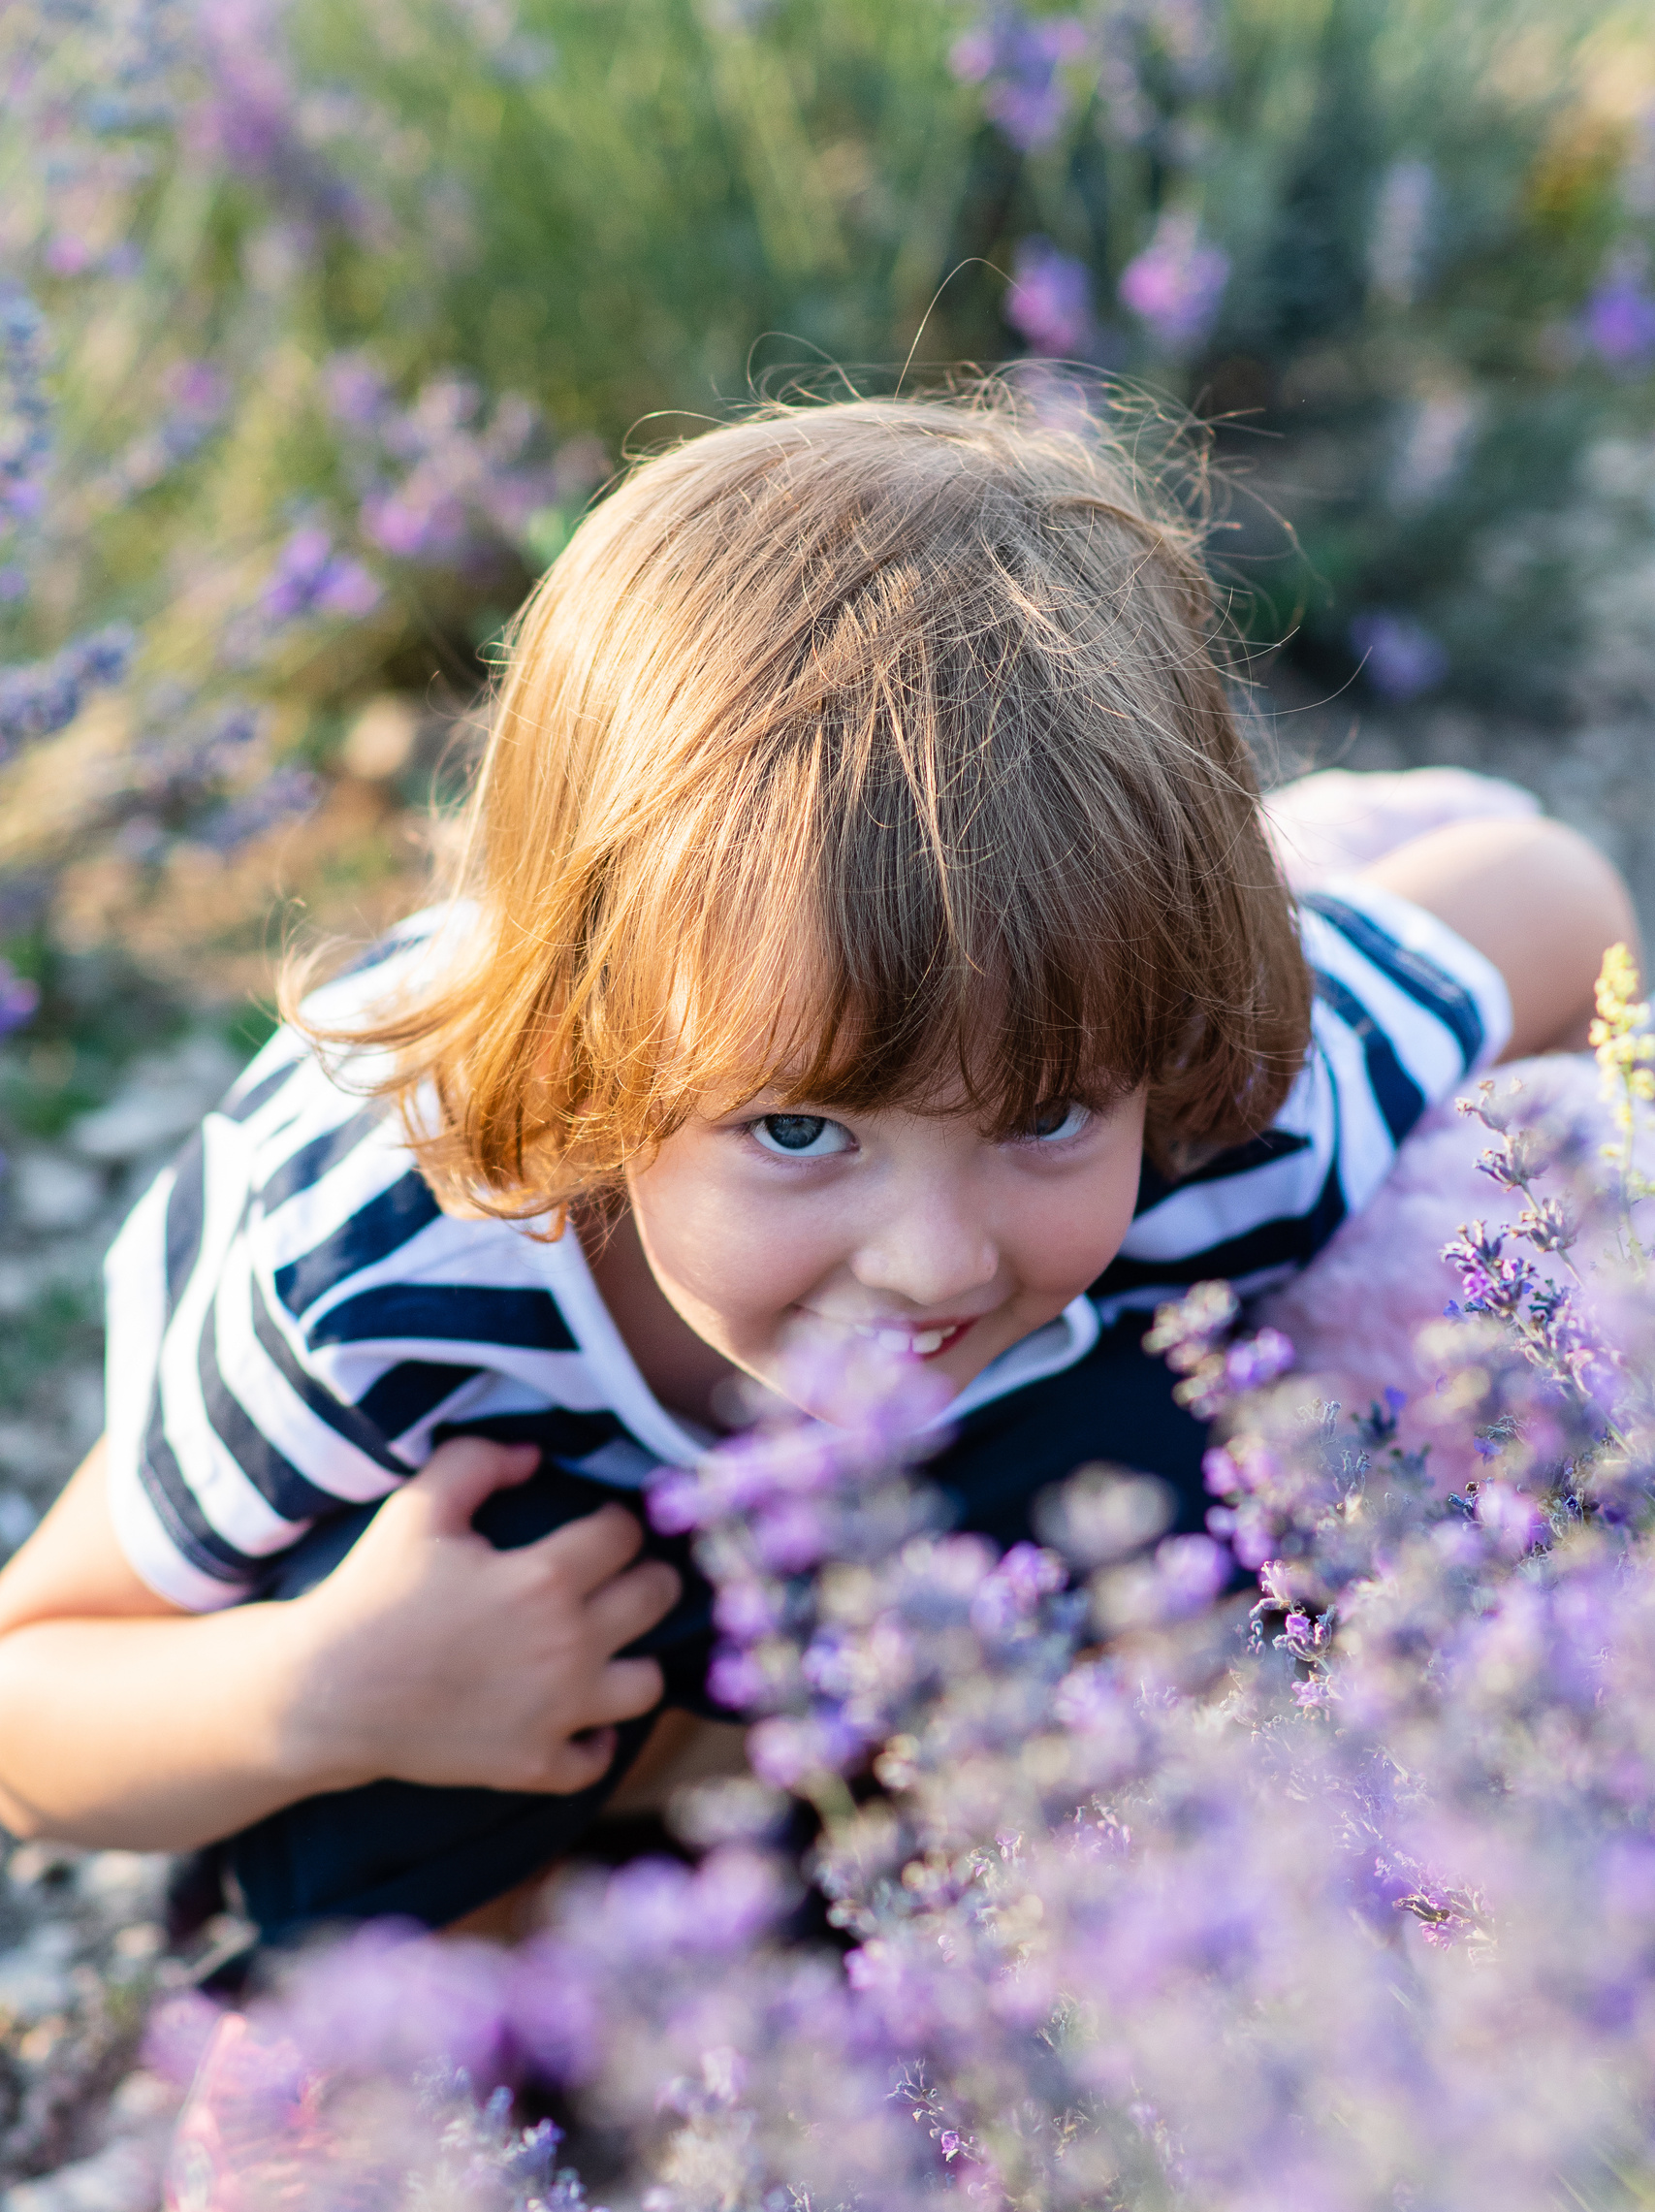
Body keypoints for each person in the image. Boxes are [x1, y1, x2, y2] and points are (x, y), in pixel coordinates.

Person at [0, 391, 1635, 1942]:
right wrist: (314, 1692)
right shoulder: (364, 1274)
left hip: (889, 1628)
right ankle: (378, 2013)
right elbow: (33, 1700)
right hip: (486, 1645)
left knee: (1205, 1411)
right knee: (382, 1642)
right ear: (586, 1047)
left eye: (1045, 1116)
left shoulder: (1211, 1099)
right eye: (799, 1131)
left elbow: (1550, 895)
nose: (934, 1259)